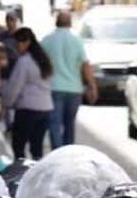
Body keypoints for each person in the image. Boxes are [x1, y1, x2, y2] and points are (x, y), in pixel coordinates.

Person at [40, 10, 98, 148]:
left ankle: (57, 154)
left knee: (54, 124)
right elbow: (85, 65)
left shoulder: (46, 40)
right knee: (70, 124)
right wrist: (92, 86)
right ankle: (68, 154)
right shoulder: (76, 41)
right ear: (70, 23)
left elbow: (40, 64)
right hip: (74, 89)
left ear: (56, 22)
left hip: (53, 88)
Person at [1, 27, 54, 159]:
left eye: (17, 43)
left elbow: (14, 87)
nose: (16, 47)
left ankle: (21, 175)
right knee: (36, 148)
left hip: (28, 109)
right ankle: (37, 176)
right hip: (45, 108)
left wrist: (5, 106)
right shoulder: (43, 59)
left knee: (18, 146)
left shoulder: (24, 61)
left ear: (26, 42)